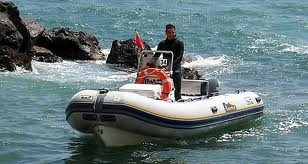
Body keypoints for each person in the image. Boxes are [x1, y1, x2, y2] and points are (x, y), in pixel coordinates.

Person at [156, 24, 184, 101]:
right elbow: (156, 56)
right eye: (169, 32)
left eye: (173, 32)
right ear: (166, 33)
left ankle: (178, 98)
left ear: (175, 32)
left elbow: (180, 57)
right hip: (165, 65)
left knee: (177, 73)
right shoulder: (162, 43)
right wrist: (150, 64)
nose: (171, 34)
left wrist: (172, 66)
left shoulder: (179, 43)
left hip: (175, 66)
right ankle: (161, 97)